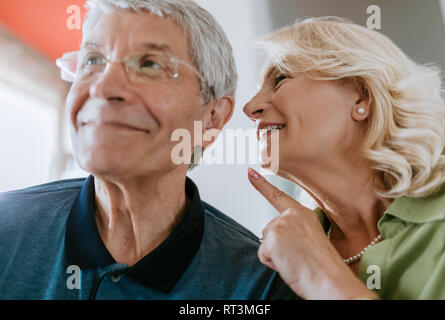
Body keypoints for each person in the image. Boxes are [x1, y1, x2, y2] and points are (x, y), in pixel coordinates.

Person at [0, 0, 295, 300]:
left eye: (150, 64)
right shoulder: (5, 231)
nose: (103, 88)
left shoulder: (259, 285)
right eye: (93, 60)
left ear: (212, 119)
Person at [244, 17, 445, 300]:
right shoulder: (275, 259)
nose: (251, 107)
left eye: (281, 78)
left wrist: (318, 275)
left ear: (361, 98)